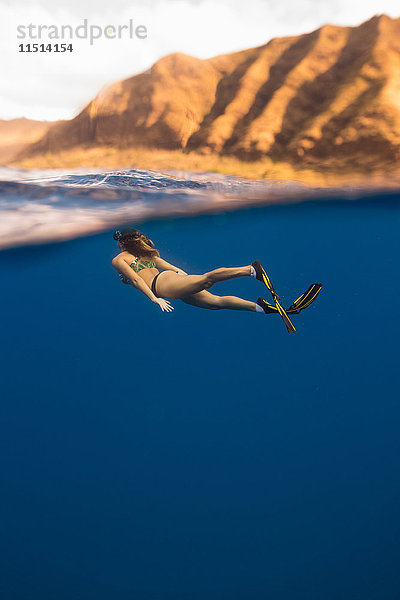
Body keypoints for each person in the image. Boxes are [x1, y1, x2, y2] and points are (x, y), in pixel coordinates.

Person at [111, 227, 269, 314]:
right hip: (169, 281)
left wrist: (154, 299)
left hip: (163, 286)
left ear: (122, 243)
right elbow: (175, 269)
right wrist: (184, 278)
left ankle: (251, 270)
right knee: (214, 303)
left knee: (205, 280)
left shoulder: (119, 259)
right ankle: (261, 308)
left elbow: (136, 280)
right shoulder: (145, 254)